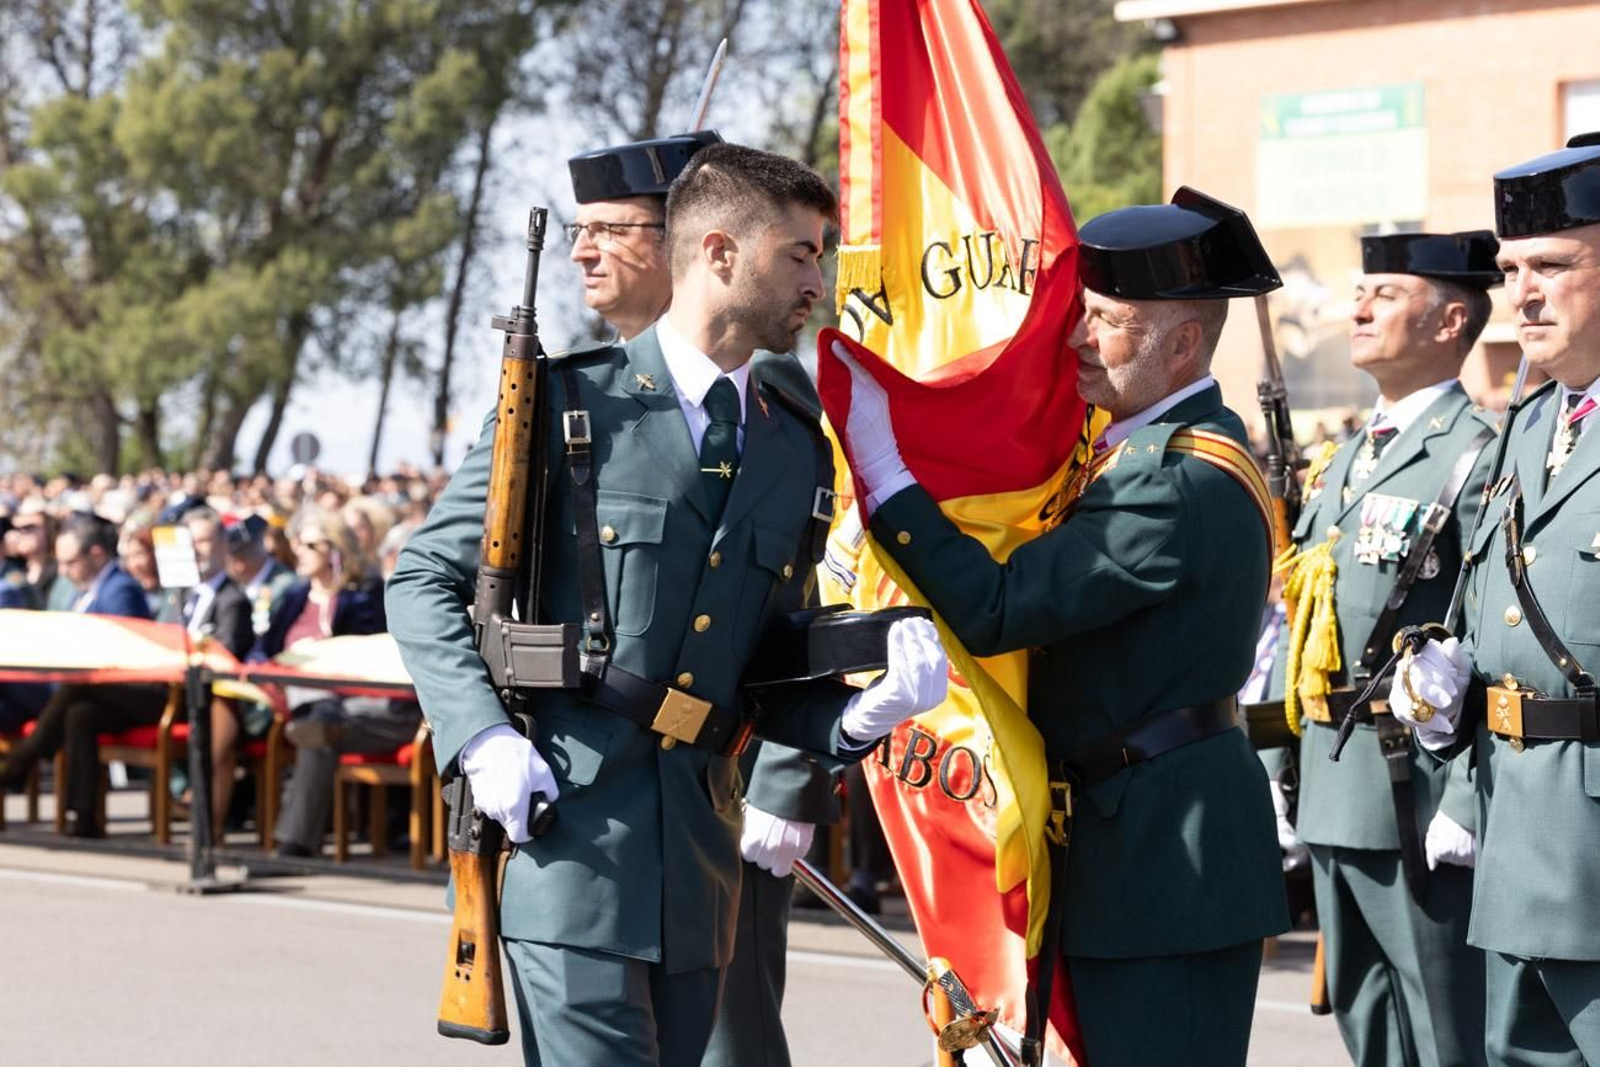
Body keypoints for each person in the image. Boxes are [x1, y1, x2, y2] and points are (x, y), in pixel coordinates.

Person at [387, 142, 948, 1066]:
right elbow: (422, 580)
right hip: (570, 842)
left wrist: (857, 715)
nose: (817, 282)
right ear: (720, 252)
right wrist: (480, 735)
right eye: (800, 255)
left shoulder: (791, 443)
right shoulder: (569, 405)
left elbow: (764, 661)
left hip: (699, 870)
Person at [832, 187, 1290, 1066]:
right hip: (1133, 840)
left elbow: (999, 608)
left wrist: (887, 473)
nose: (1077, 337)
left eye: (1106, 321)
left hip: (1166, 861)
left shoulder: (1171, 479)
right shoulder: (1135, 456)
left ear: (1181, 343)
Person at [566, 129, 837, 1067]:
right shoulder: (590, 395)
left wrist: (786, 778)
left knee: (731, 1039)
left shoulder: (771, 402)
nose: (585, 251)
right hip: (611, 796)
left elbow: (801, 598)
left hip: (726, 783)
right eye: (580, 229)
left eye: (610, 228)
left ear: (683, 241)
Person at [1253, 231, 1500, 1066]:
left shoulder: (1478, 453)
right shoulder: (1344, 460)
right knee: (1369, 1028)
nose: (1358, 308)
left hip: (1417, 796)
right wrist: (1280, 762)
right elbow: (1304, 622)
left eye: (1386, 294)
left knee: (1446, 1034)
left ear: (1450, 320)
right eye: (1360, 292)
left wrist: (1465, 798)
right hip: (1333, 785)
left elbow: (1490, 636)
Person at [1389, 132, 1600, 1064]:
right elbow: (1495, 603)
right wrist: (1448, 695)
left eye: (1552, 265)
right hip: (1514, 836)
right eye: (1513, 270)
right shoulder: (1533, 420)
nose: (1524, 293)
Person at [0, 509, 250, 835]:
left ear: (223, 544)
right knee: (81, 714)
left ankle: (24, 760)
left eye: (203, 541)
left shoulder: (231, 599)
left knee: (80, 685)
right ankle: (84, 816)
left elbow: (223, 657)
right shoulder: (179, 595)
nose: (196, 549)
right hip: (144, 688)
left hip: (185, 696)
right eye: (190, 542)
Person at [254, 506, 389, 858]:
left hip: (347, 699)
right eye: (298, 543)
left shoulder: (363, 595)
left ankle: (293, 847)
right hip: (286, 697)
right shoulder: (295, 596)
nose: (299, 551)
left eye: (310, 545)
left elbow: (372, 653)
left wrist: (320, 651)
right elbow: (262, 649)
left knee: (317, 735)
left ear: (335, 549)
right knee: (315, 724)